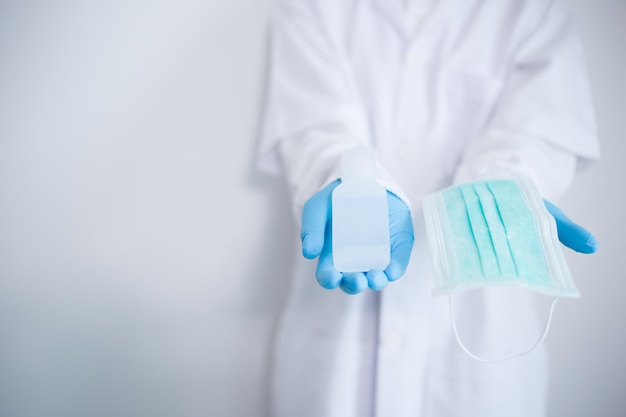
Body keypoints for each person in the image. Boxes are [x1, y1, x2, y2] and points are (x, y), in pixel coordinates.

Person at [257, 0, 600, 416]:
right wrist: (350, 180)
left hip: (482, 352)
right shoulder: (312, 9)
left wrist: (500, 193)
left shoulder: (534, 12)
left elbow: (541, 130)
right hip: (335, 351)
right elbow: (313, 128)